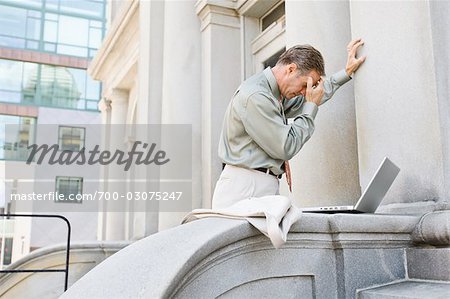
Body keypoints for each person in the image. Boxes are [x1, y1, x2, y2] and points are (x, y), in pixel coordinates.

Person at [212, 39, 366, 209]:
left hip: (256, 185)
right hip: (244, 188)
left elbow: (310, 96)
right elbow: (286, 146)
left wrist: (346, 72)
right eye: (304, 85)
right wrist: (311, 108)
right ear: (291, 69)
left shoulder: (275, 94)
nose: (304, 91)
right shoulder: (257, 96)